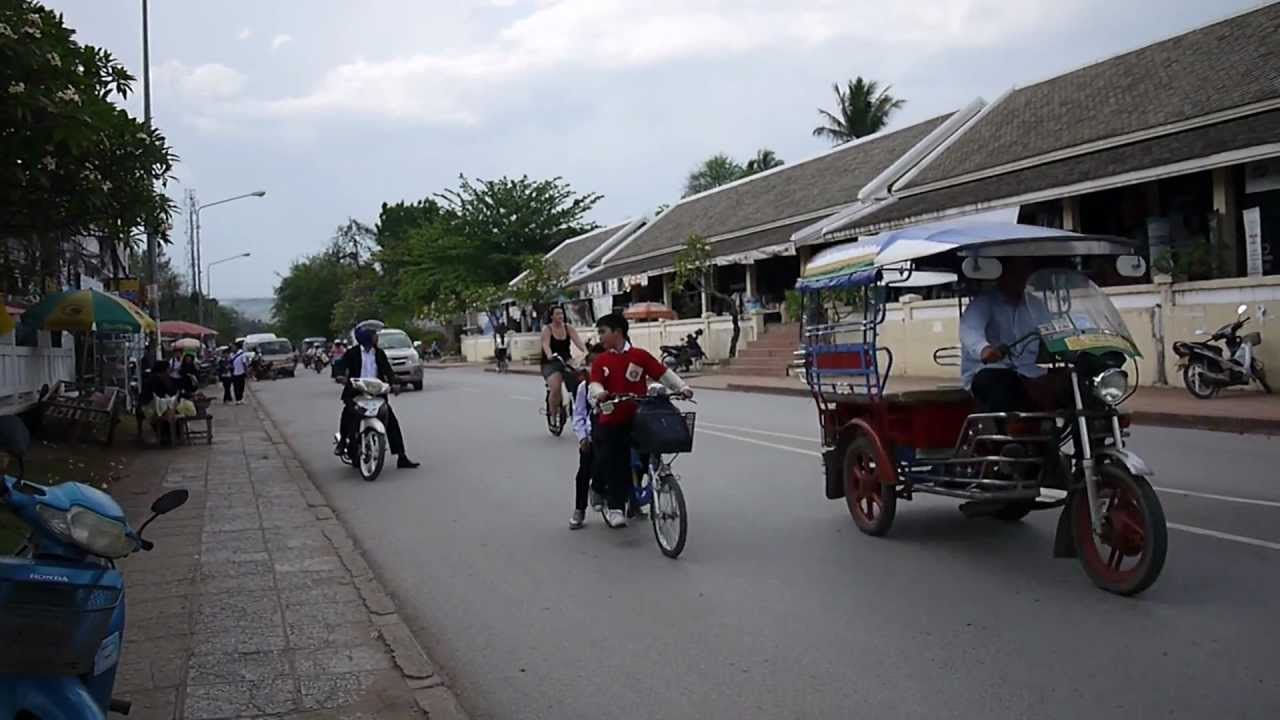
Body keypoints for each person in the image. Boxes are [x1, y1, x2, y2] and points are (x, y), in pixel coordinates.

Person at [588, 313, 692, 529]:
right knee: (615, 462)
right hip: (612, 418)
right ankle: (615, 506)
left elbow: (662, 373)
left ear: (617, 331)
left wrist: (682, 388)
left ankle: (643, 493)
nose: (600, 337)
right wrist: (600, 393)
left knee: (647, 456)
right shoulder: (601, 361)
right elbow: (594, 384)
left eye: (603, 332)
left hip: (639, 417)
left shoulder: (639, 356)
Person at [959, 257, 1060, 413]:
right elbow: (969, 330)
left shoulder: (1036, 305)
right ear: (1003, 274)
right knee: (1001, 382)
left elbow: (1053, 330)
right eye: (1016, 272)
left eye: (1025, 272)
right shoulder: (984, 303)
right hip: (991, 370)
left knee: (1075, 380)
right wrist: (984, 349)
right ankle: (1005, 431)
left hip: (1030, 372)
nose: (1021, 277)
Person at [338, 323, 420, 469]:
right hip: (356, 391)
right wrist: (340, 376)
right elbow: (340, 366)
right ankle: (343, 442)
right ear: (367, 338)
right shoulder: (353, 353)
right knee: (348, 415)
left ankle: (401, 456)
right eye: (374, 336)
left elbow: (388, 371)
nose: (377, 338)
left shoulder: (379, 353)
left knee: (391, 421)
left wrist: (394, 384)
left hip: (376, 393)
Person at [569, 343, 605, 529]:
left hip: (615, 431)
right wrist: (583, 437)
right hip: (592, 435)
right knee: (585, 471)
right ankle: (579, 509)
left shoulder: (615, 381)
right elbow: (579, 415)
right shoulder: (585, 387)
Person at [541, 305, 586, 419]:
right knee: (556, 387)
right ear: (551, 316)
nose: (560, 316)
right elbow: (545, 344)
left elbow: (578, 342)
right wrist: (549, 355)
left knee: (578, 383)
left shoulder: (568, 328)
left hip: (566, 360)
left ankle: (578, 409)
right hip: (551, 362)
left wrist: (585, 352)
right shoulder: (547, 329)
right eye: (557, 314)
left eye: (561, 313)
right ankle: (552, 413)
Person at [139, 361, 179, 445]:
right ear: (164, 369)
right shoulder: (160, 378)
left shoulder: (151, 377)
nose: (169, 370)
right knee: (171, 411)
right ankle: (167, 435)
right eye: (168, 368)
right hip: (151, 406)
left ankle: (164, 435)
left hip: (146, 405)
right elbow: (168, 392)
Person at [230, 340, 250, 405]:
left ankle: (240, 398)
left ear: (237, 347)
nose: (232, 348)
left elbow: (244, 364)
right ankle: (237, 399)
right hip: (234, 373)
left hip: (241, 373)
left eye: (233, 347)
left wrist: (246, 372)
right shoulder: (231, 355)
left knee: (241, 386)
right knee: (235, 387)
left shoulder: (242, 354)